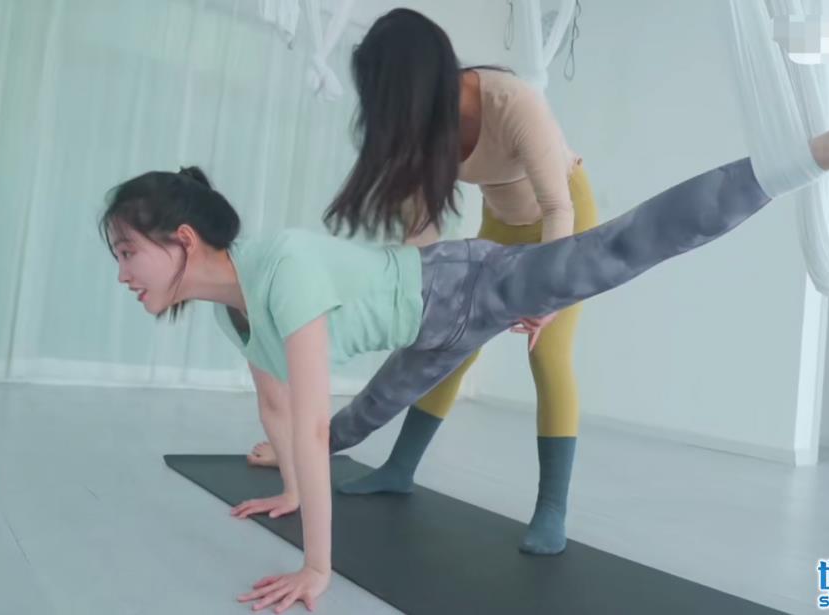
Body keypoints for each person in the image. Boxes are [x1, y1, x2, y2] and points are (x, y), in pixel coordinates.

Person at [102, 78, 829, 611]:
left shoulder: (279, 268)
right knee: (355, 424)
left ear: (182, 239)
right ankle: (380, 467)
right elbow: (280, 402)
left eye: (128, 252)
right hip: (427, 338)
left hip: (464, 286)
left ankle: (822, 151)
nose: (123, 273)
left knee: (617, 250)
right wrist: (290, 487)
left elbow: (305, 421)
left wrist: (316, 568)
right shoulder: (236, 305)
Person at [245, 8, 601, 557]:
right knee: (449, 348)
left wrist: (548, 295)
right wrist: (413, 305)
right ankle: (400, 467)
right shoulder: (424, 129)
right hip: (501, 225)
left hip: (564, 219)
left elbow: (557, 207)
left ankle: (552, 508)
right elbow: (423, 237)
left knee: (547, 355)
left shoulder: (511, 102)